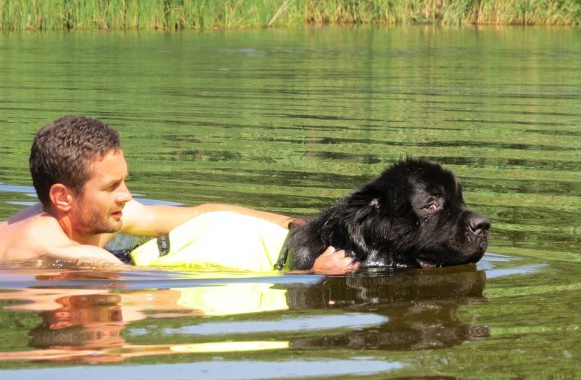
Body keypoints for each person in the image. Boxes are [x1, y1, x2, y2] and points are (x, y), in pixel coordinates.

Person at [0, 116, 357, 273]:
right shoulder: (62, 251)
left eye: (123, 181)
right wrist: (309, 275)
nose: (126, 195)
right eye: (111, 187)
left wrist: (299, 225)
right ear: (63, 197)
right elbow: (162, 286)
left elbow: (203, 213)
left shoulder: (98, 214)